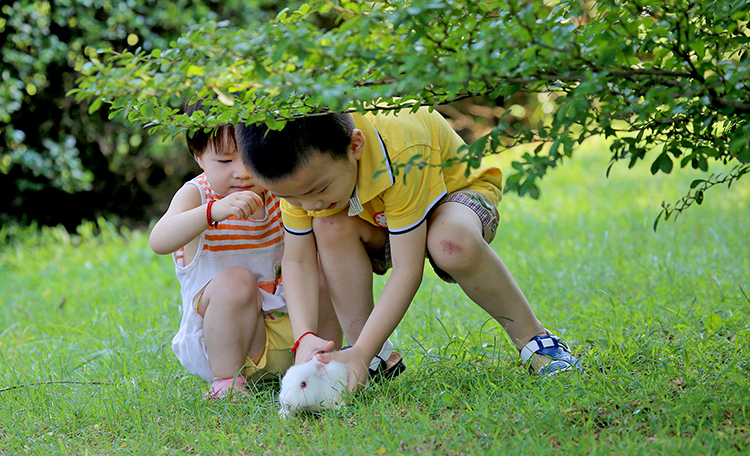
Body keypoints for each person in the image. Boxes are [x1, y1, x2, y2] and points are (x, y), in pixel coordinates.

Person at [235, 106, 581, 391]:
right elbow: (296, 260)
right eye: (289, 198)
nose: (308, 203)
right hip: (379, 218)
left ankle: (535, 340)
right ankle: (370, 358)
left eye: (318, 189)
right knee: (328, 223)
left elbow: (407, 268)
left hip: (455, 195)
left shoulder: (401, 145)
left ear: (355, 146)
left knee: (449, 243)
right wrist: (304, 337)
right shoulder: (302, 180)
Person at [149, 100, 345, 400]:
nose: (242, 172)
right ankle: (227, 382)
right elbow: (159, 240)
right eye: (225, 162)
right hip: (232, 342)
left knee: (320, 267)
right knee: (236, 282)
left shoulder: (279, 191)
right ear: (198, 156)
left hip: (292, 330)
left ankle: (327, 361)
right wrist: (211, 212)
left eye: (250, 158)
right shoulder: (197, 194)